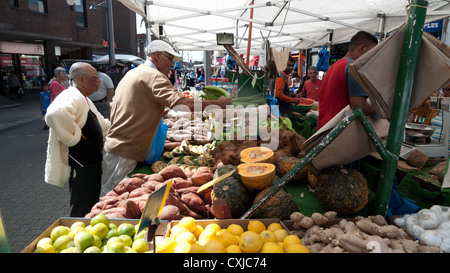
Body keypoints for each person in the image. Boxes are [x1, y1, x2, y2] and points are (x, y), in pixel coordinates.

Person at [101, 39, 231, 196]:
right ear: (156, 56)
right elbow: (181, 103)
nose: (172, 65)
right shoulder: (154, 76)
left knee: (112, 194)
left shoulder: (134, 72)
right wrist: (218, 103)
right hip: (125, 150)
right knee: (112, 199)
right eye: (170, 59)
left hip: (118, 147)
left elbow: (126, 104)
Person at [44, 62, 111, 217]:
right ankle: (76, 232)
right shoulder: (71, 95)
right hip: (81, 164)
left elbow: (102, 125)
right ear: (81, 80)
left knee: (90, 202)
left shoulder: (82, 98)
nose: (99, 81)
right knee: (82, 206)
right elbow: (54, 113)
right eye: (95, 77)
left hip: (90, 162)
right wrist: (73, 136)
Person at [317, 31, 378, 130]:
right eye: (372, 53)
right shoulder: (353, 69)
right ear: (362, 48)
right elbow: (358, 105)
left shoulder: (334, 66)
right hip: (340, 130)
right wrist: (375, 111)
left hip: (325, 128)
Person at [409, 84, 450, 155]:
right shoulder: (435, 104)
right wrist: (426, 97)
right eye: (445, 90)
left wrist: (436, 101)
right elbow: (414, 109)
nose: (447, 93)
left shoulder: (438, 103)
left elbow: (447, 104)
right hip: (430, 148)